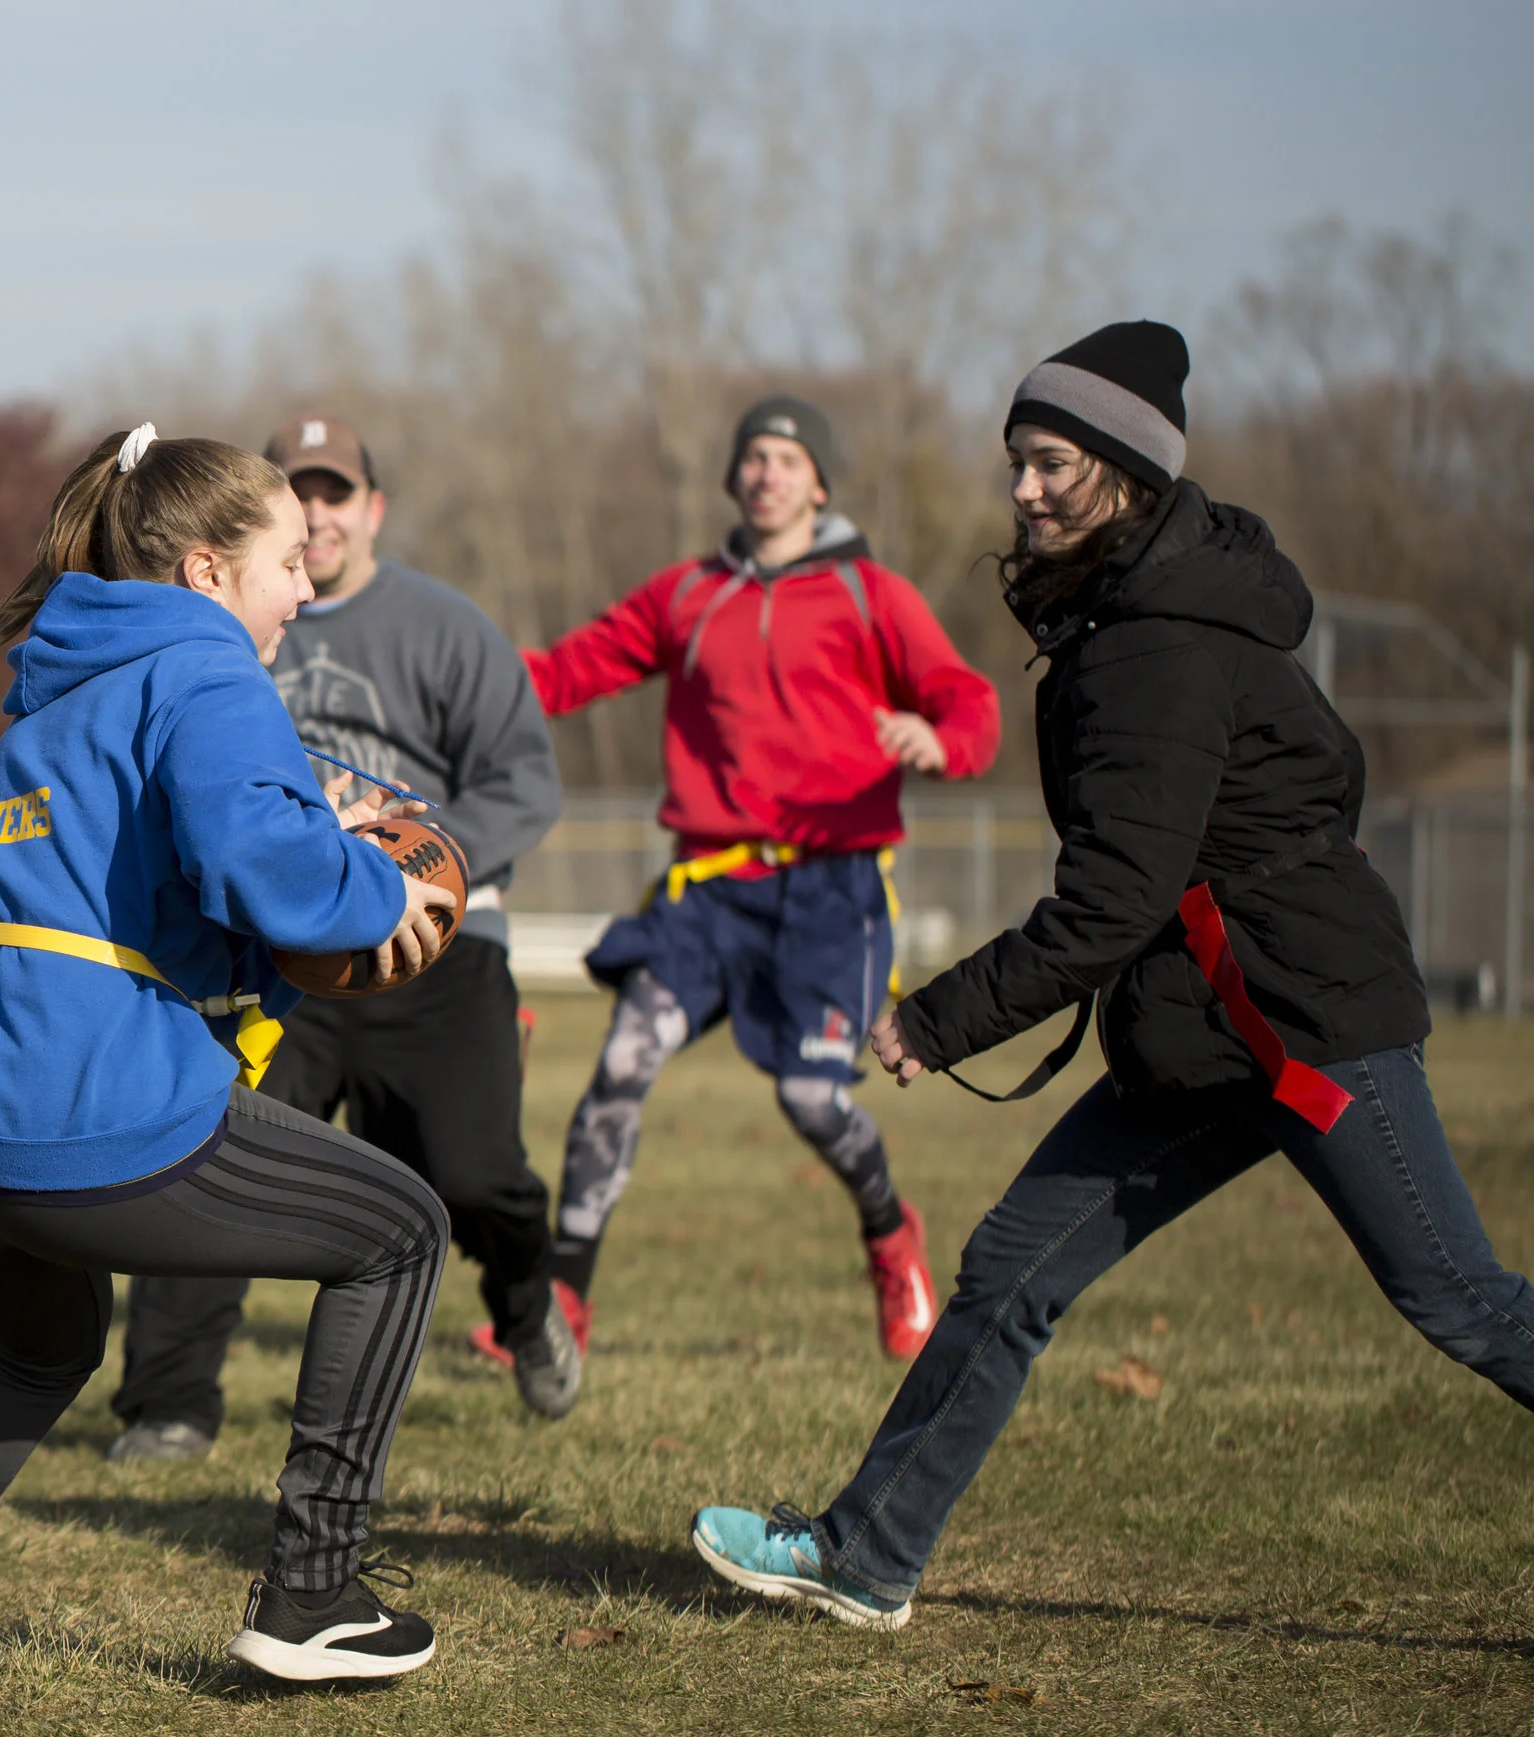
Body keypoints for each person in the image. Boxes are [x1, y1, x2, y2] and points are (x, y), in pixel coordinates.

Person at [691, 322, 1534, 1630]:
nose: (1022, 489)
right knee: (1014, 1269)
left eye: (1051, 465)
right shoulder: (1127, 613)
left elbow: (1112, 902)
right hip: (1200, 1026)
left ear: (1129, 477)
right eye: (1017, 462)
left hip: (1309, 1018)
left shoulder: (1157, 642)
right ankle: (865, 1553)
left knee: (1462, 1300)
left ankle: (864, 1548)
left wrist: (937, 1016)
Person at [0, 424, 460, 1687]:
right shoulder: (211, 676)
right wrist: (372, 881)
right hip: (68, 1093)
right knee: (401, 1227)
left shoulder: (65, 683)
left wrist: (315, 816)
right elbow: (276, 881)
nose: (305, 591)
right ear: (207, 572)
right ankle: (312, 1597)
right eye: (286, 564)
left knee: (40, 1343)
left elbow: (156, 878)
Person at [107, 414, 572, 1448]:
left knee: (469, 1172)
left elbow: (524, 782)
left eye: (334, 492)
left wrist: (416, 858)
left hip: (429, 942)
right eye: (295, 496)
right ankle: (170, 1402)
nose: (315, 515)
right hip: (277, 951)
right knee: (206, 1152)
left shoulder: (445, 626)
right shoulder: (216, 625)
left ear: (372, 509)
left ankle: (529, 1304)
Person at [519, 396, 1001, 1367]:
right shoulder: (686, 595)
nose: (766, 472)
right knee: (619, 1067)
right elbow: (566, 671)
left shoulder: (873, 595)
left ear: (818, 482)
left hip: (832, 894)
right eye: (753, 456)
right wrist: (452, 679)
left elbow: (970, 705)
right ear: (733, 476)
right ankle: (558, 1302)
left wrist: (937, 740)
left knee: (812, 1100)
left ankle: (889, 1234)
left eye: (786, 458)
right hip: (706, 895)